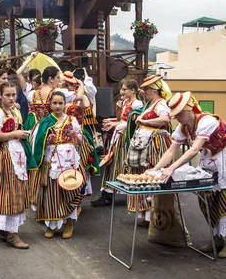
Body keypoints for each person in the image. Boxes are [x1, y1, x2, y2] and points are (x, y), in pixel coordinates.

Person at [152, 92, 226, 257]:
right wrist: (156, 169)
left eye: (179, 113)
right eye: (175, 114)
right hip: (209, 162)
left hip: (224, 160)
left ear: (190, 109)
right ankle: (217, 238)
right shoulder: (183, 127)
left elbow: (194, 150)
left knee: (223, 200)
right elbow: (171, 151)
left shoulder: (206, 121)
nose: (177, 117)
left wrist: (172, 168)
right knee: (207, 200)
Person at [32, 90, 84, 239]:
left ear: (64, 104)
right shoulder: (45, 121)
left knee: (69, 191)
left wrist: (75, 136)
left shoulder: (71, 120)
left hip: (70, 161)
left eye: (60, 103)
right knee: (52, 194)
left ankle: (69, 223)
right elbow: (38, 143)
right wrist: (46, 141)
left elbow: (80, 142)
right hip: (52, 161)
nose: (57, 106)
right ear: (50, 104)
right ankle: (52, 225)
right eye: (54, 103)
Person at [0, 83, 31, 249]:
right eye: (8, 95)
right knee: (8, 191)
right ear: (0, 95)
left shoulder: (14, 110)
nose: (11, 98)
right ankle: (12, 234)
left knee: (8, 190)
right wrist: (15, 134)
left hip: (15, 152)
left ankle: (1, 230)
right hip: (4, 154)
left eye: (13, 95)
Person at [125, 75, 172, 225]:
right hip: (146, 142)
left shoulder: (161, 104)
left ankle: (153, 215)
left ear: (155, 90)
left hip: (155, 143)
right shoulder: (150, 104)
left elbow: (165, 120)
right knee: (144, 174)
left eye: (147, 89)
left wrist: (144, 121)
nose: (145, 91)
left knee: (151, 173)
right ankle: (147, 214)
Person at [96, 79, 143, 206]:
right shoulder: (126, 102)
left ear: (132, 90)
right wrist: (113, 124)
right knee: (114, 162)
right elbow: (123, 121)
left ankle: (117, 193)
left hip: (126, 138)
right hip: (119, 136)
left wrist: (121, 125)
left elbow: (136, 122)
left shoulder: (137, 104)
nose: (122, 91)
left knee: (120, 163)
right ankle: (108, 193)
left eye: (124, 89)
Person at [24, 66, 61, 130]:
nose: (59, 80)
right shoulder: (55, 93)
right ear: (51, 79)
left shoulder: (33, 94)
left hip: (38, 128)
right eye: (58, 77)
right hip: (51, 127)